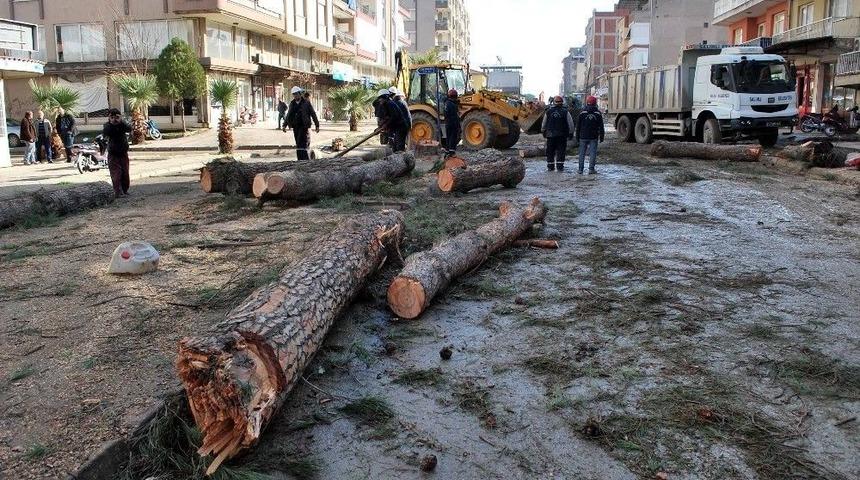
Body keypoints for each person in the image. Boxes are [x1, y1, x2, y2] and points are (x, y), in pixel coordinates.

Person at [102, 108, 133, 197]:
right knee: (116, 174)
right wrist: (112, 123)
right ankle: (118, 192)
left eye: (116, 117)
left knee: (125, 173)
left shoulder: (123, 125)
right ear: (109, 118)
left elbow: (129, 128)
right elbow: (107, 132)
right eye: (112, 117)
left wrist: (121, 121)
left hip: (123, 152)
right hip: (113, 154)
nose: (114, 119)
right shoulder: (107, 126)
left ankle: (125, 190)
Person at [541, 96, 576, 172]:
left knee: (550, 151)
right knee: (561, 151)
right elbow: (571, 124)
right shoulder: (565, 112)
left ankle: (550, 166)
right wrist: (571, 133)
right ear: (562, 102)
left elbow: (544, 123)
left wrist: (543, 131)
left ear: (554, 102)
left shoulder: (548, 111)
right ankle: (560, 166)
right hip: (562, 135)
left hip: (550, 135)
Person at [285, 86, 320, 160]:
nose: (295, 96)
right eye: (294, 94)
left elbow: (313, 114)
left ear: (300, 94)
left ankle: (305, 161)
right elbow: (289, 114)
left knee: (303, 143)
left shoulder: (306, 103)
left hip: (304, 126)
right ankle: (300, 160)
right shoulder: (292, 103)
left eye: (296, 94)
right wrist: (284, 125)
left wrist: (317, 125)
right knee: (298, 143)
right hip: (295, 126)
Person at [575, 96, 605, 174]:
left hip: (583, 136)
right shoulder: (598, 113)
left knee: (582, 153)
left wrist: (577, 136)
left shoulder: (582, 113)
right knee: (593, 153)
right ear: (595, 103)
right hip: (593, 136)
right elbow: (601, 126)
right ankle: (591, 169)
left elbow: (578, 126)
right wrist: (602, 136)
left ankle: (580, 170)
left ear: (587, 103)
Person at [389, 87, 412, 152]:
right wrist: (410, 126)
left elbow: (393, 117)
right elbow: (408, 116)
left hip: (399, 126)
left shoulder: (394, 103)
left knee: (398, 142)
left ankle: (398, 156)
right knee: (399, 142)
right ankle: (399, 155)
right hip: (403, 125)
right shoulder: (403, 102)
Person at [444, 89, 461, 157]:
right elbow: (455, 116)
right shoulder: (453, 105)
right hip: (453, 123)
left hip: (447, 123)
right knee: (453, 137)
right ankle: (452, 152)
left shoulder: (447, 103)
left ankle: (447, 151)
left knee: (448, 137)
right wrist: (458, 125)